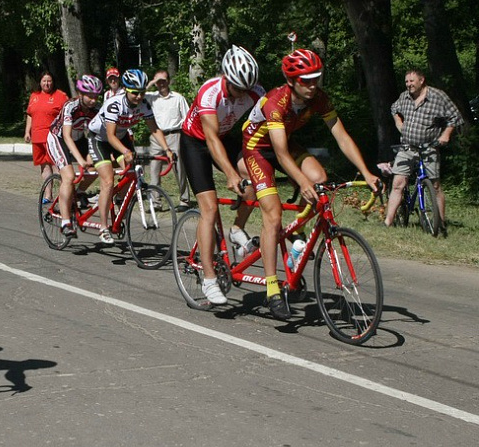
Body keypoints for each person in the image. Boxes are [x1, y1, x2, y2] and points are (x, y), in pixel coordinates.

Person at [242, 49, 379, 319]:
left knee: (319, 179)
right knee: (273, 215)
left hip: (285, 143)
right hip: (259, 149)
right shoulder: (276, 101)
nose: (313, 85)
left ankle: (296, 234)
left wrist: (366, 172)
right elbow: (280, 153)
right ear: (291, 81)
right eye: (306, 80)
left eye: (316, 78)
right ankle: (272, 289)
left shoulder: (318, 98)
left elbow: (341, 136)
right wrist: (301, 181)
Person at [180, 45, 264, 305]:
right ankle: (208, 279)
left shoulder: (256, 92)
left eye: (246, 89)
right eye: (238, 88)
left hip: (224, 137)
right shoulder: (209, 92)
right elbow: (211, 139)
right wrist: (229, 173)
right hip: (196, 143)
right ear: (227, 78)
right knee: (209, 208)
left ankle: (237, 229)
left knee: (254, 180)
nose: (243, 94)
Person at [87, 69, 175, 245]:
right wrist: (126, 152)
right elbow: (110, 136)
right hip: (100, 139)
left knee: (132, 173)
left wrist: (167, 150)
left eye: (142, 92)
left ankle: (119, 199)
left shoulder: (144, 105)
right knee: (108, 180)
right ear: (126, 90)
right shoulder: (114, 105)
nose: (139, 96)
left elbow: (154, 129)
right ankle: (103, 227)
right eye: (135, 92)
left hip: (121, 137)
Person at [384, 68, 463, 236]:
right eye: (406, 81)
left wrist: (446, 134)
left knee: (435, 185)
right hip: (407, 147)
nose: (409, 84)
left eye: (412, 81)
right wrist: (398, 121)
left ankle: (440, 223)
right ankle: (388, 222)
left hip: (429, 147)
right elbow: (394, 108)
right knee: (398, 183)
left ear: (421, 80)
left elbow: (455, 117)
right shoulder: (405, 97)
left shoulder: (437, 96)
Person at [46, 74, 103, 238]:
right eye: (89, 96)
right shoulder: (71, 106)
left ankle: (78, 193)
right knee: (69, 176)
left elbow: (101, 135)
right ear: (80, 94)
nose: (93, 100)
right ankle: (66, 223)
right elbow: (66, 136)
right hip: (58, 138)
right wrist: (80, 160)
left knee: (96, 167)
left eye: (96, 96)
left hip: (79, 138)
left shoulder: (98, 109)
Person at [145, 69, 191, 211]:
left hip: (174, 135)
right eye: (158, 82)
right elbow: (137, 95)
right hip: (156, 136)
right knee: (154, 169)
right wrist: (151, 83)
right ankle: (155, 203)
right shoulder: (151, 97)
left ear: (169, 81)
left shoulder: (178, 98)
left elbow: (187, 117)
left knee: (179, 168)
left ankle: (184, 200)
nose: (161, 84)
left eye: (164, 81)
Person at [25, 71, 69, 203]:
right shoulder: (34, 96)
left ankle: (63, 195)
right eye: (44, 81)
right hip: (37, 137)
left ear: (53, 82)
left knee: (56, 166)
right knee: (44, 166)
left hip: (53, 138)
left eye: (49, 81)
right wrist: (27, 132)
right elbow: (30, 115)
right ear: (40, 82)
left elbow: (68, 114)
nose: (46, 83)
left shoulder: (60, 96)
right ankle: (48, 195)